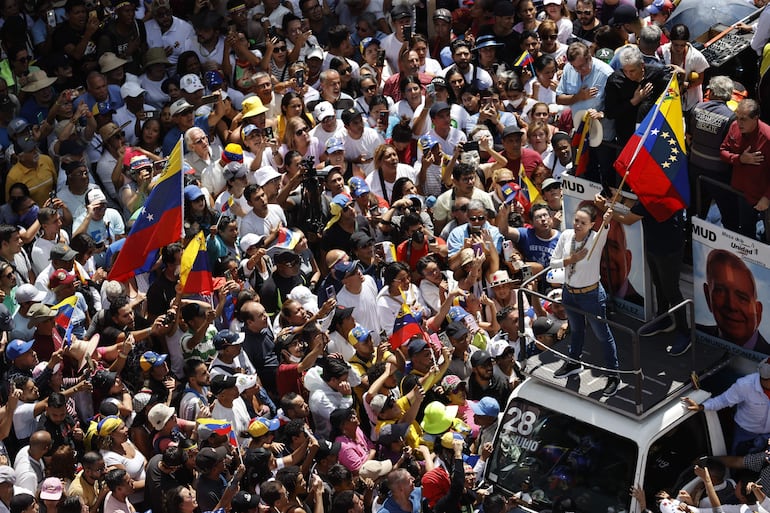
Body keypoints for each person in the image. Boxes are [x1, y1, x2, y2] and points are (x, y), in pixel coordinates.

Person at [549, 204, 620, 397]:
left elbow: (605, 227)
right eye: (576, 220)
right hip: (569, 291)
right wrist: (571, 259)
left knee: (602, 335)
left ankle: (614, 375)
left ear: (591, 225)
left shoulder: (595, 240)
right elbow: (552, 262)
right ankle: (573, 362)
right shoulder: (566, 236)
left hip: (591, 295)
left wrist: (606, 220)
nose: (578, 225)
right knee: (576, 329)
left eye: (583, 222)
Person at [683, 361, 770, 455]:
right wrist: (702, 407)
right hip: (745, 433)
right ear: (765, 377)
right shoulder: (745, 385)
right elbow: (723, 400)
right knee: (738, 456)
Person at [697, 249, 768, 352]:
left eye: (742, 298)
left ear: (758, 311)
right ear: (708, 296)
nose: (731, 305)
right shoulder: (698, 333)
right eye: (720, 291)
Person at [719, 99, 770, 240]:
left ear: (755, 118)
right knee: (747, 231)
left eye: (743, 119)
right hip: (741, 193)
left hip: (762, 197)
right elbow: (723, 151)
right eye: (737, 117)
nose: (739, 122)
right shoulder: (734, 127)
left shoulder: (767, 137)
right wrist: (740, 159)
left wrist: (767, 197)